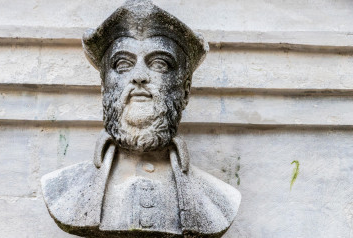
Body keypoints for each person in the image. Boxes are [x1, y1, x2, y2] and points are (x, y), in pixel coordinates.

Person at [41, 1, 241, 237]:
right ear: (105, 88)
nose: (139, 77)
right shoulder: (62, 189)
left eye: (159, 64)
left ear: (185, 90)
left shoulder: (220, 199)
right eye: (123, 64)